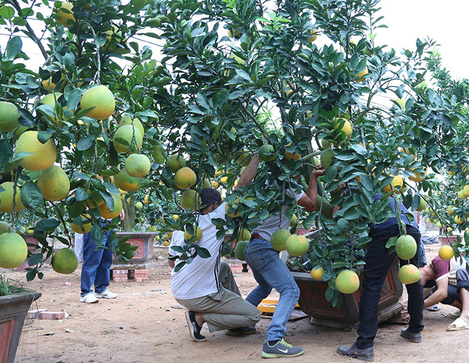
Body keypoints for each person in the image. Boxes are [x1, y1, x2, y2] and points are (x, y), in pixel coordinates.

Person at [239, 154, 325, 359]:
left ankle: (238, 324)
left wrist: (256, 159)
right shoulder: (288, 185)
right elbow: (312, 204)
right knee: (290, 290)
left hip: (252, 247)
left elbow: (241, 184)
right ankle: (274, 340)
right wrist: (313, 177)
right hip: (265, 250)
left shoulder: (264, 183)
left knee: (264, 287)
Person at [337, 196, 426, 361]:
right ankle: (415, 330)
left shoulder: (353, 188)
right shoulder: (379, 184)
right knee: (413, 279)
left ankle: (363, 345)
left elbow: (339, 218)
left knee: (372, 284)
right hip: (410, 228)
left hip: (386, 229)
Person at [170, 188, 261, 342]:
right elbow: (242, 186)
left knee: (223, 267)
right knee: (253, 315)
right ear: (214, 205)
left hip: (178, 290)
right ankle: (200, 317)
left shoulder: (183, 225)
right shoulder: (216, 219)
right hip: (198, 297)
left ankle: (236, 326)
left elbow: (172, 263)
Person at [420, 255, 469, 331]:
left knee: (461, 272)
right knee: (437, 292)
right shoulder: (431, 279)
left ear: (419, 268)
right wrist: (409, 309)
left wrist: (417, 308)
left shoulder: (440, 260)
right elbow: (421, 298)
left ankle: (466, 317)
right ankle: (466, 311)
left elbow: (442, 292)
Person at [80, 221, 118, 303]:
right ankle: (85, 293)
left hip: (108, 223)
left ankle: (101, 289)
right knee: (92, 259)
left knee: (106, 258)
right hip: (94, 223)